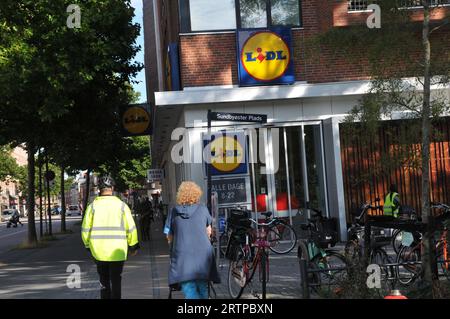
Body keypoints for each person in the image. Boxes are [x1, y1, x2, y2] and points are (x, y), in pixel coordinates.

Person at [81, 174, 139, 299]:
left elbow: (85, 229)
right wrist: (133, 246)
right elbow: (131, 228)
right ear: (112, 188)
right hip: (117, 251)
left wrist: (87, 245)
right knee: (116, 280)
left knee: (104, 280)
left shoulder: (92, 207)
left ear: (99, 190)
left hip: (98, 251)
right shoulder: (122, 206)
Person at [164, 181, 220, 299]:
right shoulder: (203, 209)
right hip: (203, 256)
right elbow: (209, 232)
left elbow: (168, 235)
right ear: (197, 194)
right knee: (203, 287)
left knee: (189, 288)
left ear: (180, 195)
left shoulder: (173, 211)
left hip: (183, 256)